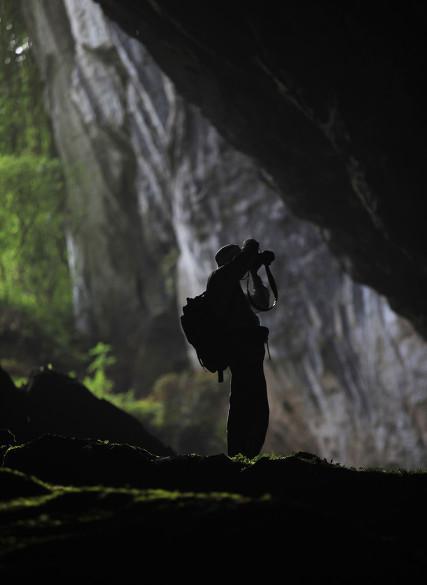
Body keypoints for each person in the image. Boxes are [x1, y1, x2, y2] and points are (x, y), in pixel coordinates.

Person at [206, 238, 275, 458]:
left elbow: (262, 302)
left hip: (249, 351)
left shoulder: (232, 289)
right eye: (237, 261)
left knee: (253, 404)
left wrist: (254, 273)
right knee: (246, 404)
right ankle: (238, 455)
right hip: (240, 351)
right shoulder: (220, 278)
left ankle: (245, 455)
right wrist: (250, 246)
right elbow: (244, 259)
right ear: (229, 263)